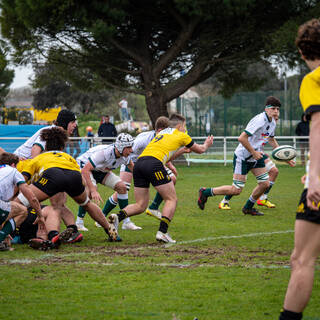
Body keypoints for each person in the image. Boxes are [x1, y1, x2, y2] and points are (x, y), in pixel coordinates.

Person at [108, 113, 214, 243]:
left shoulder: (162, 133)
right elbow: (201, 149)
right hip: (153, 164)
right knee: (171, 199)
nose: (185, 129)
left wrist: (181, 151)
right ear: (180, 126)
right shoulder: (182, 135)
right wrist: (207, 144)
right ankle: (162, 232)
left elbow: (167, 158)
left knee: (140, 205)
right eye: (184, 126)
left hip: (140, 163)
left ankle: (117, 217)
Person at [279, 18, 320, 320]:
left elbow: (319, 126)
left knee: (302, 259)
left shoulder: (313, 79)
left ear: (303, 52)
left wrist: (315, 175)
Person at [14, 127, 118, 244]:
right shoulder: (68, 157)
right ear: (62, 147)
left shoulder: (38, 158)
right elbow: (82, 180)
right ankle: (108, 229)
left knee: (18, 203)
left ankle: (9, 232)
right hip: (74, 177)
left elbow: (21, 181)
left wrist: (13, 196)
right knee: (86, 204)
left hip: (52, 175)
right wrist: (83, 191)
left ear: (46, 146)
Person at [198, 96, 293, 216]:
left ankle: (248, 208)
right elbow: (242, 138)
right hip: (243, 156)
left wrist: (286, 158)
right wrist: (253, 152)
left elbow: (272, 140)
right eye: (273, 108)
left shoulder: (273, 122)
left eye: (278, 109)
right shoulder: (259, 120)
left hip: (256, 155)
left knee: (265, 184)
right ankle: (205, 192)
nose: (276, 111)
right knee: (236, 190)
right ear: (266, 109)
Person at [103, 116, 172, 225]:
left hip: (145, 164)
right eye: (167, 130)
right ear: (159, 130)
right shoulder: (144, 139)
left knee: (172, 178)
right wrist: (131, 166)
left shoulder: (161, 139)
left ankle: (153, 207)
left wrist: (171, 167)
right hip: (131, 161)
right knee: (122, 190)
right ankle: (104, 217)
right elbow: (127, 152)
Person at [75, 133, 138, 233]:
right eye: (129, 147)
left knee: (122, 187)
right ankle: (79, 222)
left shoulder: (125, 156)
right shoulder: (104, 153)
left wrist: (146, 179)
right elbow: (86, 170)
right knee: (90, 191)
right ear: (121, 147)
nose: (131, 150)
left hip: (101, 170)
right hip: (85, 168)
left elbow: (133, 167)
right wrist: (93, 190)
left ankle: (126, 221)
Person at [0, 152, 44, 251]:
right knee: (22, 210)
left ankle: (3, 238)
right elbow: (31, 197)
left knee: (6, 211)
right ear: (13, 164)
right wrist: (40, 215)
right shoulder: (13, 171)